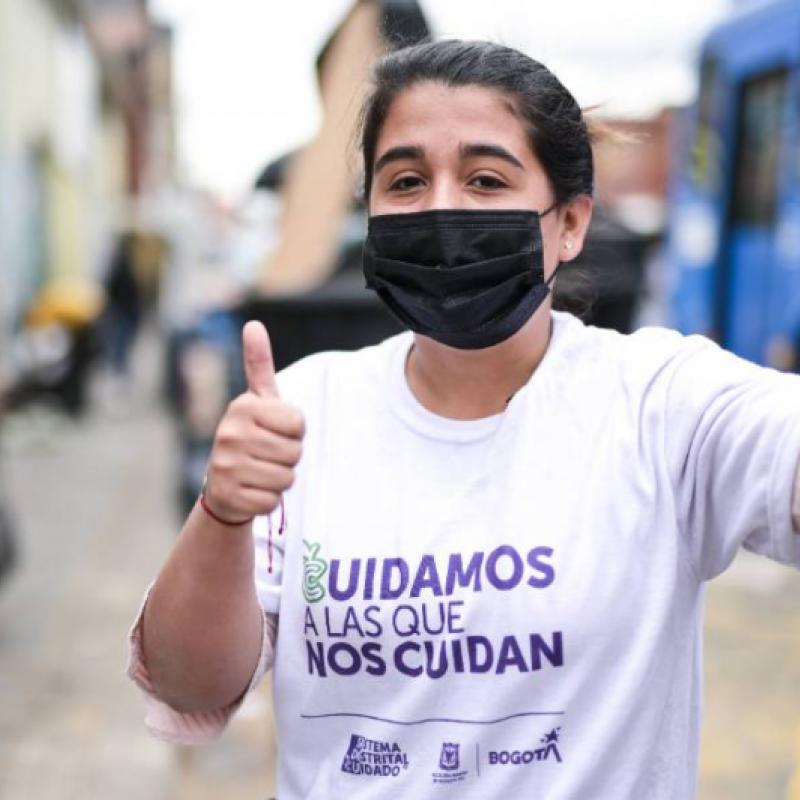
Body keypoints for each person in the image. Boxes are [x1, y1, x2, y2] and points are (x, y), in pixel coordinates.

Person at [128, 40, 800, 798]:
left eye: (485, 179)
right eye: (406, 181)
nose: (442, 207)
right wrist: (222, 512)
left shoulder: (660, 403)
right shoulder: (300, 413)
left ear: (570, 222)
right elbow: (188, 686)